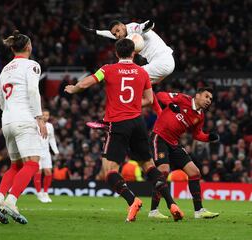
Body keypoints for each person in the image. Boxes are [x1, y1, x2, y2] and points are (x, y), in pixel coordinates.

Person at [65, 38, 183, 222]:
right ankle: (171, 203)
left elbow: (87, 82)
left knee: (109, 170)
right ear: (134, 53)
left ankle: (132, 200)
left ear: (116, 53)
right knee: (149, 166)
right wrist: (134, 104)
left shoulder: (108, 69)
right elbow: (150, 99)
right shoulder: (142, 72)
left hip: (118, 123)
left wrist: (74, 88)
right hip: (138, 123)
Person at [0, 30, 47, 225]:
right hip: (24, 119)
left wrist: (9, 114)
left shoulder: (4, 70)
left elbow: (0, 101)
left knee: (16, 165)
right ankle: (11, 201)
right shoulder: (32, 65)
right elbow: (32, 90)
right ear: (29, 47)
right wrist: (39, 118)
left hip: (7, 120)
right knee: (32, 163)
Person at [148, 88, 220, 219]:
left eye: (210, 99)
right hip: (160, 137)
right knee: (163, 172)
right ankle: (153, 211)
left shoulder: (200, 116)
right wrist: (171, 104)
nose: (209, 100)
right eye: (206, 96)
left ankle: (199, 211)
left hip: (174, 143)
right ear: (197, 95)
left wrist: (209, 138)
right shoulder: (183, 99)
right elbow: (160, 95)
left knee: (195, 172)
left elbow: (197, 134)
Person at [33, 109, 59, 203]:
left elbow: (51, 139)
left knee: (48, 172)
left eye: (47, 115)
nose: (45, 117)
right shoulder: (35, 125)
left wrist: (56, 151)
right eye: (43, 115)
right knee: (38, 171)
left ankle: (45, 192)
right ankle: (39, 193)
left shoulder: (50, 126)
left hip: (46, 152)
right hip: (37, 152)